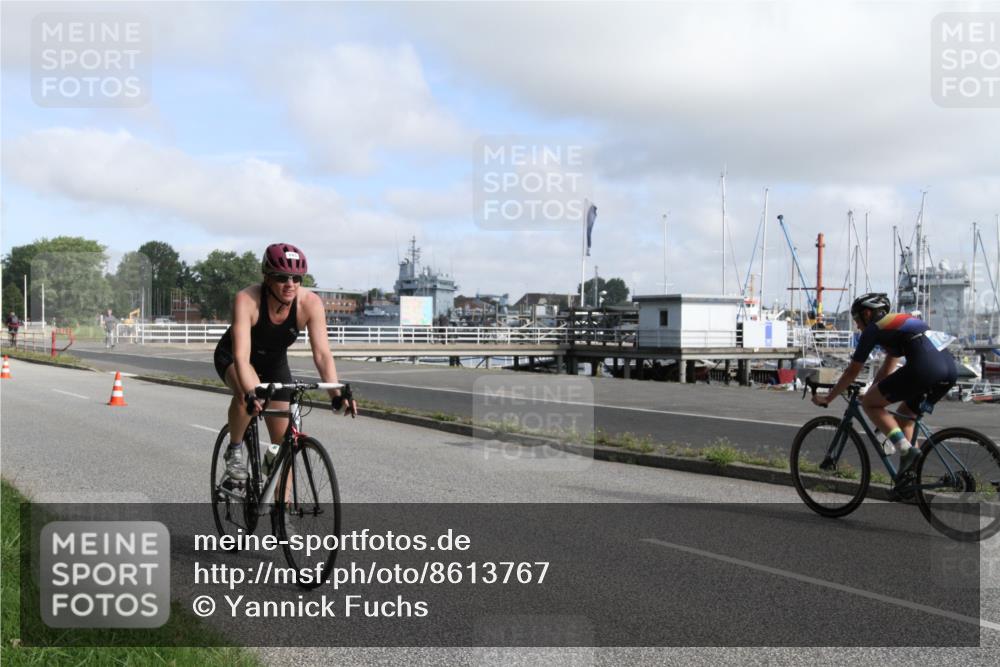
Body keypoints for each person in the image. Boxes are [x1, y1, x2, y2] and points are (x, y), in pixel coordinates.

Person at [214, 242, 357, 481]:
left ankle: (279, 506)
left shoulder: (309, 304)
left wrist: (336, 394)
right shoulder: (247, 299)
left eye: (296, 278)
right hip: (234, 356)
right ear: (267, 278)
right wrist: (251, 392)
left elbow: (322, 354)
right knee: (246, 396)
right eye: (281, 277)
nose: (290, 284)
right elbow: (241, 356)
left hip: (274, 362)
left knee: (283, 447)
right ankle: (235, 450)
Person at [812, 293, 957, 482]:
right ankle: (912, 480)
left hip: (925, 368)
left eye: (856, 319)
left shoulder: (874, 329)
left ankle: (906, 450)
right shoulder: (899, 323)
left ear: (867, 313)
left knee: (870, 405)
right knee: (905, 419)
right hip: (949, 370)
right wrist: (872, 391)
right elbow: (888, 367)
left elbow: (852, 372)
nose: (856, 325)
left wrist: (828, 398)